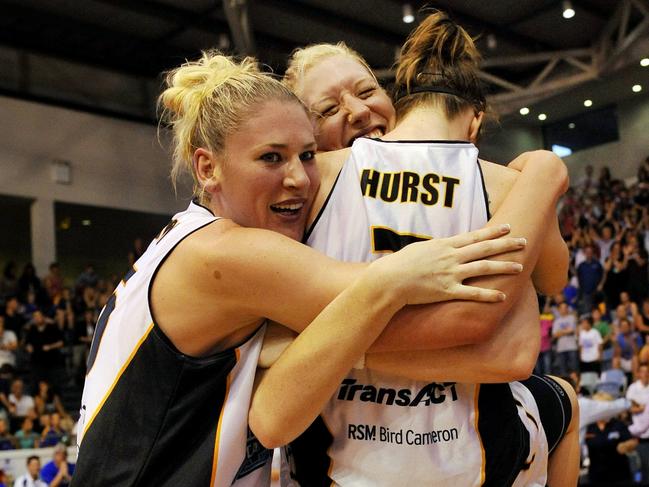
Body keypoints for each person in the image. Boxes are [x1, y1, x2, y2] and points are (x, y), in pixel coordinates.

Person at [72, 52, 528, 487]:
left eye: (309, 155)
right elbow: (464, 325)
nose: (299, 178)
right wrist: (541, 179)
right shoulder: (228, 255)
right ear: (207, 168)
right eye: (271, 157)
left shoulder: (200, 238)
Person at [263, 13, 577, 486]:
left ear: (396, 97)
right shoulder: (503, 184)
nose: (358, 112)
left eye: (367, 92)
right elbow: (537, 307)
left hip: (335, 465)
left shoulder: (314, 186)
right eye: (328, 109)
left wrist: (312, 348)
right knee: (563, 402)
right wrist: (544, 171)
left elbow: (513, 353)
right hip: (471, 464)